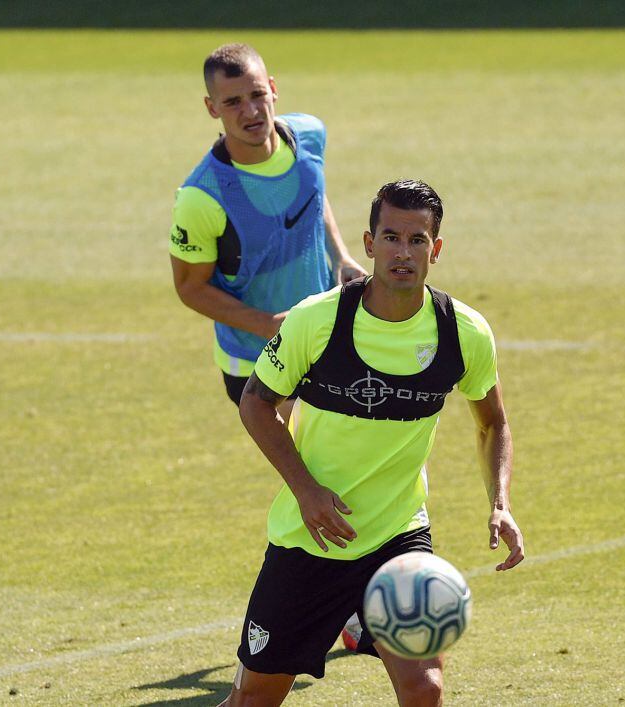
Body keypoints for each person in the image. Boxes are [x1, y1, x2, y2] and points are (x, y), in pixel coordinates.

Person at [226, 180, 525, 706]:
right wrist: (307, 491)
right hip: (310, 540)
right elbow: (255, 402)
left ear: (436, 249)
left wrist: (500, 504)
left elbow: (493, 423)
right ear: (368, 243)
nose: (402, 253)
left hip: (396, 538)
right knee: (255, 700)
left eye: (416, 240)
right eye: (390, 237)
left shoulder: (463, 333)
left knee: (424, 689)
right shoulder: (316, 321)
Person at [169, 43, 366, 407]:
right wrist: (268, 325)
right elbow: (189, 287)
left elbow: (312, 193)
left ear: (273, 88)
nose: (251, 111)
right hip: (256, 363)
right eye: (232, 102)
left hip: (323, 340)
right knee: (326, 459)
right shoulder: (202, 197)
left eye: (257, 94)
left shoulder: (309, 134)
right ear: (212, 108)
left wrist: (340, 255)